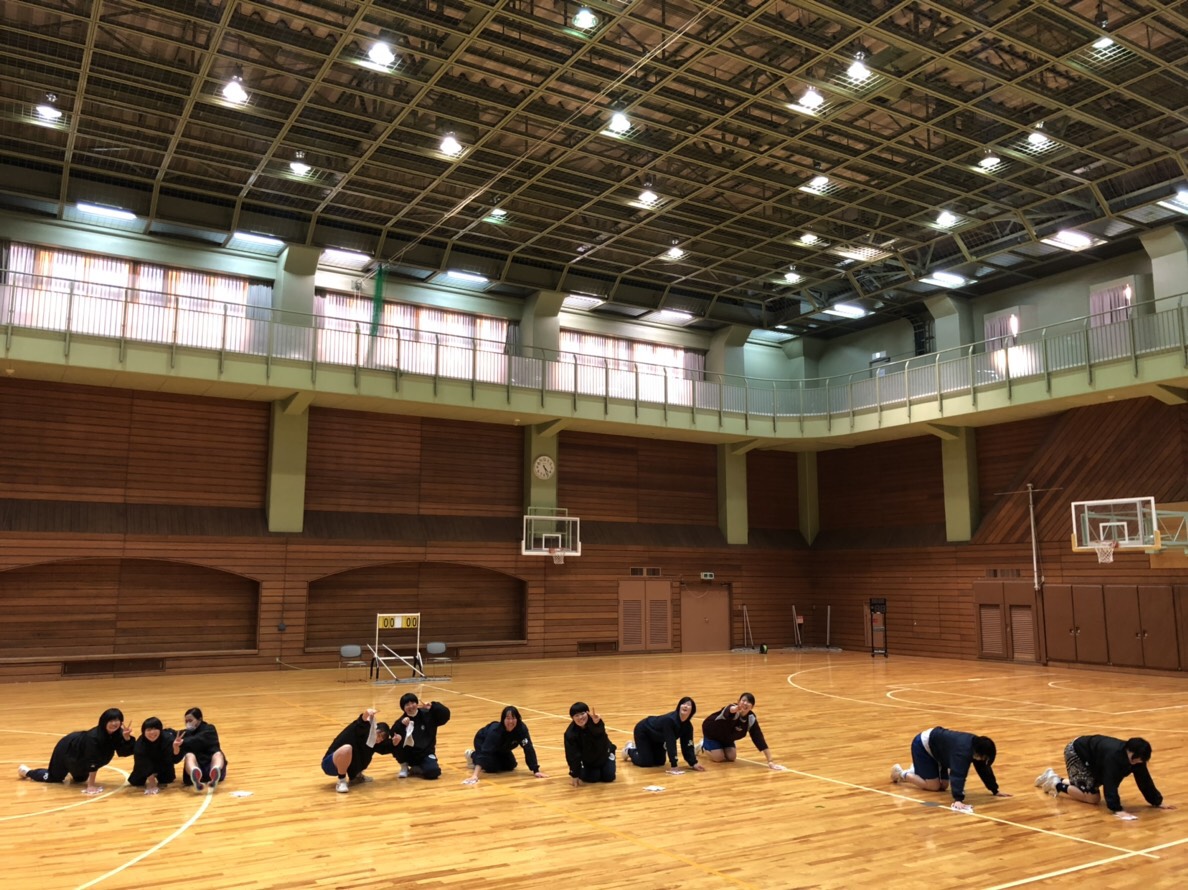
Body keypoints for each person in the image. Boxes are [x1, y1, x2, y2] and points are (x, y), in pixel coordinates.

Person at [1035, 735, 1177, 821]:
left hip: (1093, 759)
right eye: (1135, 760)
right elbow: (1110, 782)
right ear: (1130, 751)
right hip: (1077, 752)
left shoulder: (1136, 758)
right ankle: (1055, 784)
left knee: (1088, 786)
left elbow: (1144, 779)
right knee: (1092, 798)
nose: (1136, 764)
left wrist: (1157, 801)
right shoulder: (1113, 757)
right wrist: (1117, 809)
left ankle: (1053, 777)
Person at [890, 726, 1010, 812]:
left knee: (943, 786)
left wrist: (995, 790)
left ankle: (919, 771)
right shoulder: (963, 752)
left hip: (939, 752)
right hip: (923, 746)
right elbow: (958, 774)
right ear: (980, 754)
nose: (983, 760)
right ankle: (902, 773)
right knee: (934, 786)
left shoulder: (976, 746)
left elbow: (983, 769)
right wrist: (958, 799)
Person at [18, 707, 134, 794]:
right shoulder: (93, 737)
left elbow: (123, 752)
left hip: (80, 758)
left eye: (117, 720)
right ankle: (27, 771)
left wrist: (127, 738)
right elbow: (92, 762)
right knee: (54, 778)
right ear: (103, 721)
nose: (114, 723)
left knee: (80, 779)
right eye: (111, 720)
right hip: (67, 749)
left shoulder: (119, 733)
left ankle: (71, 770)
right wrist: (91, 786)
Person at [462, 705, 547, 784]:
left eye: (513, 718)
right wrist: (475, 775)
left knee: (510, 765)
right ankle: (472, 755)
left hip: (502, 746)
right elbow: (485, 752)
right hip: (483, 742)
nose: (511, 722)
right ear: (503, 719)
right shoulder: (495, 732)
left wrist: (536, 770)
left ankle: (491, 760)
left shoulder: (521, 730)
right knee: (492, 768)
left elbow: (528, 748)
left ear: (518, 719)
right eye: (508, 718)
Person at [624, 696, 705, 772]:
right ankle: (629, 750)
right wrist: (674, 764)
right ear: (679, 707)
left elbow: (687, 745)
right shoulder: (670, 721)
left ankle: (645, 751)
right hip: (644, 732)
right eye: (683, 704)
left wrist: (693, 763)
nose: (685, 706)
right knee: (646, 762)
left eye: (688, 705)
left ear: (692, 710)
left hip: (658, 738)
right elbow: (670, 742)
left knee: (660, 761)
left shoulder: (688, 727)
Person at [322, 708, 392, 793]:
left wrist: (396, 742)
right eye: (379, 734)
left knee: (364, 753)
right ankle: (341, 781)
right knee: (347, 748)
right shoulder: (360, 729)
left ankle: (357, 776)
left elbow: (386, 748)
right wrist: (366, 714)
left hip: (347, 765)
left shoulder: (374, 743)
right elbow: (360, 722)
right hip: (330, 763)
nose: (379, 739)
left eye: (382, 738)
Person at [700, 693, 779, 769]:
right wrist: (736, 709)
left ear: (752, 707)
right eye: (743, 700)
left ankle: (718, 747)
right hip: (712, 734)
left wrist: (770, 761)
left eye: (749, 702)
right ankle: (702, 746)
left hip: (727, 738)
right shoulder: (731, 709)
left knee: (731, 757)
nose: (745, 703)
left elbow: (759, 738)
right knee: (718, 757)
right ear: (738, 702)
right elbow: (730, 710)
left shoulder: (750, 718)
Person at [391, 694, 450, 780]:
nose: (411, 706)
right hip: (409, 755)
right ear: (403, 708)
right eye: (407, 705)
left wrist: (433, 706)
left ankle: (418, 768)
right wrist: (401, 725)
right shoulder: (402, 720)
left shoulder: (428, 715)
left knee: (433, 772)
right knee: (395, 742)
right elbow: (392, 734)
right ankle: (404, 766)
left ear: (417, 703)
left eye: (413, 703)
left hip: (426, 753)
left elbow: (445, 716)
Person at [173, 706, 227, 792]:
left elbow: (198, 739)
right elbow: (176, 757)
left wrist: (183, 741)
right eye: (186, 721)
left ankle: (215, 770)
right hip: (195, 767)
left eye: (190, 720)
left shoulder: (210, 729)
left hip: (210, 765)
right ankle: (194, 772)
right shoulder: (184, 734)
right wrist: (175, 745)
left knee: (218, 754)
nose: (188, 723)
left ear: (200, 719)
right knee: (189, 755)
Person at [563, 702, 616, 786]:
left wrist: (597, 724)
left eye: (582, 713)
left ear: (587, 713)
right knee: (593, 777)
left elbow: (601, 737)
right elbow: (572, 755)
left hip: (605, 754)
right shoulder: (570, 734)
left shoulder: (596, 722)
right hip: (589, 760)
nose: (580, 717)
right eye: (576, 715)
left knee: (609, 777)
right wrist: (574, 774)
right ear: (572, 718)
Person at [128, 717, 177, 794]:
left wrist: (176, 748)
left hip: (162, 764)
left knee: (167, 780)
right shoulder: (140, 743)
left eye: (155, 729)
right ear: (143, 731)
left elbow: (172, 759)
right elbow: (141, 763)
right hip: (145, 765)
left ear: (160, 730)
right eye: (148, 730)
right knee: (136, 782)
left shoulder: (168, 739)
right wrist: (152, 782)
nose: (152, 732)